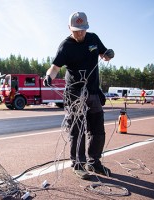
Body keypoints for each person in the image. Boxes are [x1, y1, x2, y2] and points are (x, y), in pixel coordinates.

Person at [43, 11, 114, 180]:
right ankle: (78, 164)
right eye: (76, 30)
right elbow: (55, 67)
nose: (80, 33)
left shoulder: (93, 39)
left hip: (93, 91)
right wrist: (48, 76)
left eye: (82, 29)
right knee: (77, 129)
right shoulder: (65, 46)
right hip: (74, 94)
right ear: (69, 28)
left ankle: (94, 162)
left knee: (97, 128)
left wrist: (109, 55)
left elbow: (105, 55)